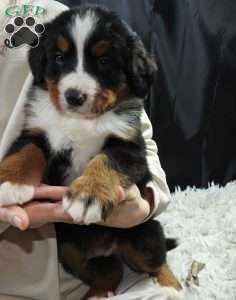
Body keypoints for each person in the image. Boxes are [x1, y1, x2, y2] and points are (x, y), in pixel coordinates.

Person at [0, 1, 172, 299]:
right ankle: (104, 282)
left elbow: (138, 154)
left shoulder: (44, 13)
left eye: (104, 63)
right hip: (47, 253)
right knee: (72, 254)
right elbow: (34, 144)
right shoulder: (44, 107)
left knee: (147, 247)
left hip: (125, 221)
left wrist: (144, 202)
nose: (75, 84)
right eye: (59, 58)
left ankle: (161, 270)